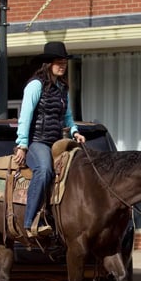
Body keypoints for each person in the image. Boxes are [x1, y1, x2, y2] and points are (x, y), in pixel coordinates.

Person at [13, 41, 86, 238]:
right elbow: (25, 116)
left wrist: (75, 132)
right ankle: (30, 222)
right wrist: (22, 145)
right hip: (38, 142)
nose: (62, 65)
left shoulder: (62, 88)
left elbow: (68, 117)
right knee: (44, 170)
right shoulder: (35, 86)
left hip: (57, 142)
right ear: (48, 63)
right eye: (58, 62)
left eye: (64, 62)